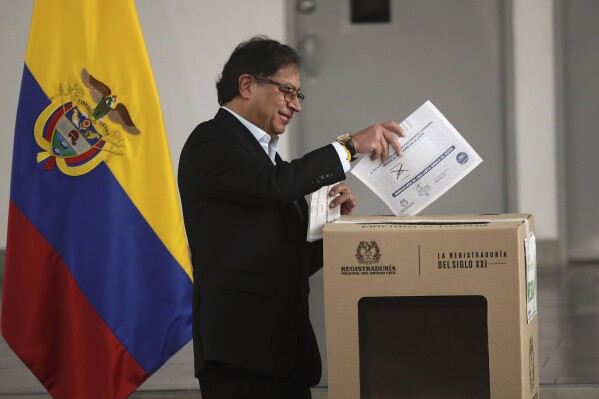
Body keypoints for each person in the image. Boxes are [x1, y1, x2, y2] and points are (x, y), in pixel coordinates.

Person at [178, 35, 404, 399]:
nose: (295, 106)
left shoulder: (267, 159)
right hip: (240, 352)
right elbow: (274, 186)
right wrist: (349, 146)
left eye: (298, 95)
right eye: (287, 91)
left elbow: (288, 256)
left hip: (283, 353)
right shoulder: (212, 141)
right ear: (248, 85)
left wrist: (331, 228)